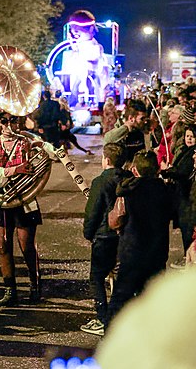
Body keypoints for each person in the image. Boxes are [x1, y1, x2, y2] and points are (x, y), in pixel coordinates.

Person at [0, 112, 53, 307]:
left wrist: (45, 149)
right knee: (3, 245)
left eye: (12, 120)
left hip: (25, 199)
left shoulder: (28, 141)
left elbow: (50, 155)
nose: (7, 125)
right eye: (3, 121)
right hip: (3, 199)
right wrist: (16, 169)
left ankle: (35, 286)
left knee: (27, 245)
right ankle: (10, 291)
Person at [106, 151, 176, 327]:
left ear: (135, 170)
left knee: (121, 298)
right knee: (152, 299)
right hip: (157, 252)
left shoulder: (127, 189)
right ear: (156, 169)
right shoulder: (165, 190)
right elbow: (174, 213)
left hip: (132, 251)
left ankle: (111, 337)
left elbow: (116, 221)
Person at [80, 143, 128, 337]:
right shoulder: (129, 178)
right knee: (119, 275)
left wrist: (88, 233)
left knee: (97, 277)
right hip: (125, 235)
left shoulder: (100, 182)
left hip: (104, 235)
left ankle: (102, 318)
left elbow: (93, 211)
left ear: (106, 160)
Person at [161, 124, 196, 268]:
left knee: (188, 228)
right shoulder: (184, 150)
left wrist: (168, 172)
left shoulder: (193, 154)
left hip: (188, 198)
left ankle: (188, 256)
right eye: (187, 136)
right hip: (181, 196)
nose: (189, 139)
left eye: (192, 136)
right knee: (184, 227)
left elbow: (184, 174)